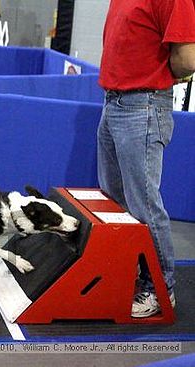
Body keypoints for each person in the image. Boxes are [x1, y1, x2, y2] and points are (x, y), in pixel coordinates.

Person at [98, 0, 195, 318]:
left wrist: (157, 75)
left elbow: (187, 59)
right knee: (116, 201)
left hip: (143, 105)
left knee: (143, 205)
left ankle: (159, 288)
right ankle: (131, 276)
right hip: (114, 102)